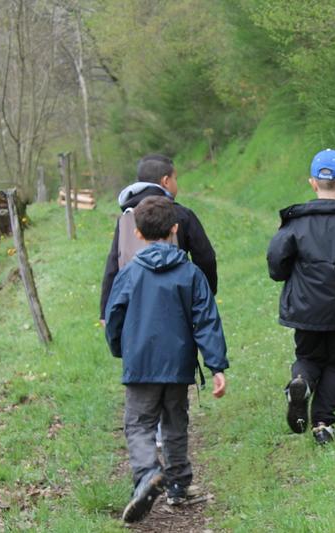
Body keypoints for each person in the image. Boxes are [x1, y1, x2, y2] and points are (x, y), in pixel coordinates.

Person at [104, 196, 228, 523]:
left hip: (140, 364)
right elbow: (206, 320)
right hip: (177, 365)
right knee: (175, 422)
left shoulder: (129, 274)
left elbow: (114, 315)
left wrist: (120, 349)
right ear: (175, 229)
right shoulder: (191, 274)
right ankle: (177, 485)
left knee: (139, 423)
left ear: (139, 234)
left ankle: (147, 473)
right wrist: (216, 365)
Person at [267, 149, 335, 445]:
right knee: (334, 363)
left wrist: (290, 275)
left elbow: (276, 263)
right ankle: (322, 424)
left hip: (305, 308)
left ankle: (301, 382)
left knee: (307, 356)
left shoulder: (296, 223)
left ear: (312, 183)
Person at [100, 154, 217, 323]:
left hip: (134, 307)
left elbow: (114, 262)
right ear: (165, 181)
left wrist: (105, 311)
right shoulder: (181, 215)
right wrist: (206, 294)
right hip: (176, 306)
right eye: (175, 179)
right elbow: (205, 257)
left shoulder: (126, 218)